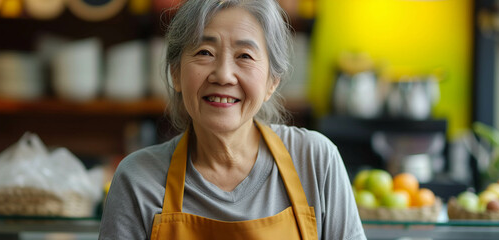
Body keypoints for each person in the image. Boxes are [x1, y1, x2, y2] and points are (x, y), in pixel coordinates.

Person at [99, 0, 366, 239]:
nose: (224, 75)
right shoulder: (137, 180)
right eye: (205, 52)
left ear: (272, 81)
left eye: (245, 56)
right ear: (176, 73)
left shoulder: (315, 161)